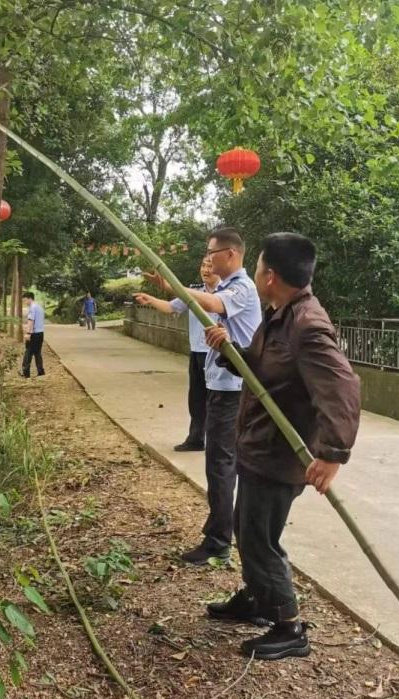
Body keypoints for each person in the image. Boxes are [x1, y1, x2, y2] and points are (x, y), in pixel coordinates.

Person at [204, 233, 361, 660]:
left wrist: (333, 454)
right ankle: (259, 598)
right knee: (249, 528)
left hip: (278, 454)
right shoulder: (282, 314)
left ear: (270, 275)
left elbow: (343, 387)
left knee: (259, 538)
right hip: (259, 444)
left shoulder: (307, 325)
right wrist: (229, 350)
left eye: (257, 266)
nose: (254, 272)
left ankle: (288, 625)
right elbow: (265, 366)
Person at [144, 228, 262, 565]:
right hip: (219, 382)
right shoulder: (225, 287)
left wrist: (177, 285)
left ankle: (219, 542)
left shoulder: (241, 288)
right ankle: (221, 531)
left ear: (231, 254)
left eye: (212, 252)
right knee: (221, 463)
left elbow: (209, 302)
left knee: (221, 464)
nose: (208, 258)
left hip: (233, 389)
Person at [133, 257, 221, 452]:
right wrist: (151, 299)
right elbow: (171, 307)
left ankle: (219, 442)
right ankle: (196, 438)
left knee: (217, 400)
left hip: (218, 354)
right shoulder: (194, 292)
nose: (206, 270)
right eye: (203, 265)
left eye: (210, 266)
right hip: (197, 352)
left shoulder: (226, 294)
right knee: (196, 398)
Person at [21, 291, 45, 378]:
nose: (25, 302)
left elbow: (31, 321)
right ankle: (41, 372)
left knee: (28, 353)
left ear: (30, 298)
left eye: (25, 300)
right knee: (37, 353)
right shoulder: (39, 307)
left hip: (33, 334)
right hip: (40, 333)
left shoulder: (32, 308)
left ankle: (25, 372)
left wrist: (28, 333)